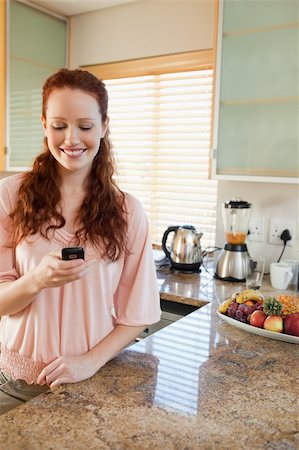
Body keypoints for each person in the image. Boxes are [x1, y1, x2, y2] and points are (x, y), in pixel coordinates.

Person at [0, 68, 161, 415]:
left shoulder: (128, 212)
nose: (71, 139)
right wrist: (37, 280)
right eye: (59, 125)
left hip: (94, 385)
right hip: (14, 387)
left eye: (85, 126)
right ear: (44, 124)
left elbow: (138, 313)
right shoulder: (9, 196)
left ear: (104, 126)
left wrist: (89, 362)